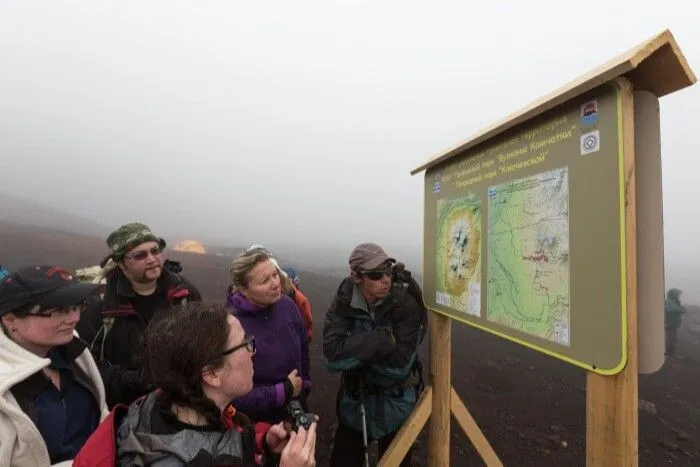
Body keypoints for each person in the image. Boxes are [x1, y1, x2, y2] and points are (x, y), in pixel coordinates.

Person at [106, 302, 317, 466]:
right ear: (211, 374)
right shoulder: (173, 462)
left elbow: (217, 442)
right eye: (245, 343)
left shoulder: (173, 404)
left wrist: (261, 443)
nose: (254, 351)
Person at [77, 222, 202, 408]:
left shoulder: (183, 292)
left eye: (155, 250)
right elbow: (86, 366)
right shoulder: (98, 302)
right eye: (140, 255)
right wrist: (140, 379)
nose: (152, 259)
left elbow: (203, 342)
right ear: (120, 262)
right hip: (120, 410)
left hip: (177, 404)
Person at [323, 243, 426, 467]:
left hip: (396, 406)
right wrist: (379, 342)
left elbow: (400, 366)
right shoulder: (345, 298)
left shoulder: (404, 302)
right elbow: (331, 357)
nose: (385, 279)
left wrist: (354, 351)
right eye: (376, 274)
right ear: (356, 276)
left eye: (387, 271)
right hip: (355, 404)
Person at [0, 265, 108, 466]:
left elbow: (100, 416)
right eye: (60, 310)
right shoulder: (5, 386)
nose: (75, 318)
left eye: (77, 306)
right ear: (10, 320)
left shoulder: (73, 351)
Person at [226, 249, 311, 424]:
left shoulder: (287, 305)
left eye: (275, 275)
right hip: (255, 423)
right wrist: (282, 391)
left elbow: (303, 346)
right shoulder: (231, 325)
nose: (275, 284)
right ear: (243, 288)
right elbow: (232, 395)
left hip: (295, 407)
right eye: (264, 281)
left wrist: (305, 384)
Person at [664, 288, 687, 358]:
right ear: (673, 294)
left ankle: (670, 353)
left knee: (672, 339)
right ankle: (669, 354)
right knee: (671, 339)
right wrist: (679, 306)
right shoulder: (668, 302)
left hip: (672, 324)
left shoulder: (673, 302)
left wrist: (678, 303)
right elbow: (679, 309)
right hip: (669, 324)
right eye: (678, 294)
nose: (679, 296)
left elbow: (683, 309)